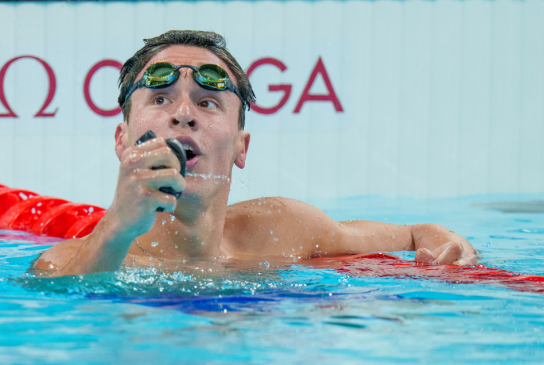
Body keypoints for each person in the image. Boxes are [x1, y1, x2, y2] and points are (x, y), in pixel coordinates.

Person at [34, 30, 476, 277]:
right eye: (161, 98)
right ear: (122, 141)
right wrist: (116, 228)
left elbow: (413, 235)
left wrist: (437, 236)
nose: (184, 114)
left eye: (207, 103)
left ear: (241, 148)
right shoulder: (64, 264)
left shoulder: (282, 230)